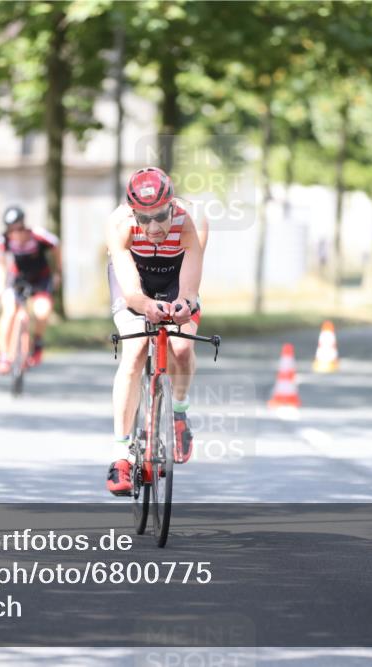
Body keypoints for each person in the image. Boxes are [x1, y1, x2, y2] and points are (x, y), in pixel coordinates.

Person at [104, 167, 208, 496]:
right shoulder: (119, 224)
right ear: (132, 212)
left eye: (160, 216)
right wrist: (145, 305)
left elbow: (189, 292)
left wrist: (182, 307)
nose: (153, 227)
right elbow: (132, 291)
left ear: (172, 207)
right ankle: (121, 455)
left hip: (176, 278)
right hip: (135, 281)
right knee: (134, 351)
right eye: (143, 218)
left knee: (181, 348)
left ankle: (178, 412)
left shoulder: (192, 220)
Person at [0, 205, 61, 373]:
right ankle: (3, 356)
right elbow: (0, 263)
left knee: (42, 312)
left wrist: (57, 273)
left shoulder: (38, 235)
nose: (15, 233)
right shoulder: (4, 240)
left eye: (19, 228)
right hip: (17, 280)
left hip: (41, 279)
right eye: (11, 229)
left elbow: (56, 246)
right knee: (9, 311)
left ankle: (37, 343)